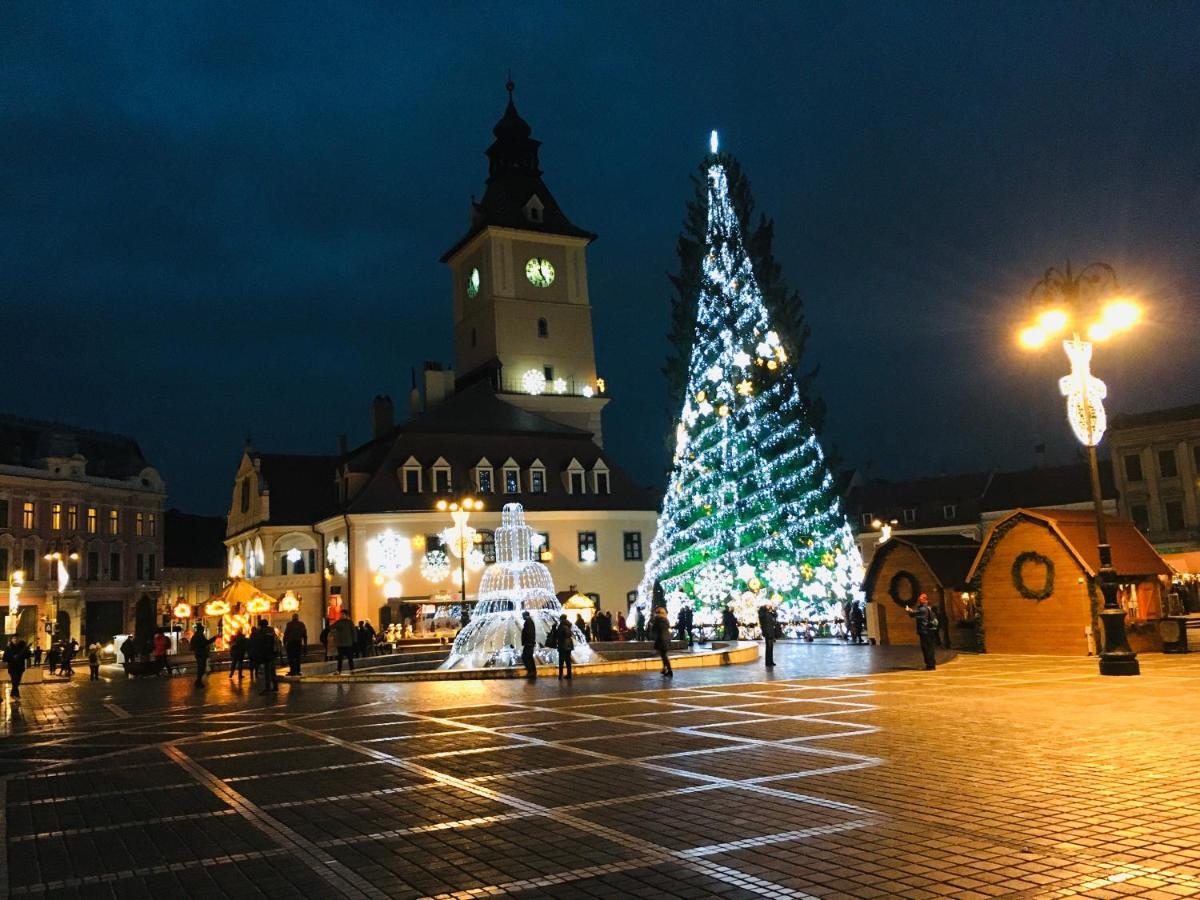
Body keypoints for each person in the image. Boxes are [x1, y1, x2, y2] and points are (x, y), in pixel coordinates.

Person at [905, 593, 939, 670]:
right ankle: (931, 664)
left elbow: (913, 614)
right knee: (930, 648)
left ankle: (930, 665)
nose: (919, 600)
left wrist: (908, 610)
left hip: (925, 631)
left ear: (925, 600)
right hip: (930, 631)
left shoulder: (923, 609)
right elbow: (915, 613)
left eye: (921, 599)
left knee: (926, 648)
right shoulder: (928, 608)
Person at [252, 620, 279, 693]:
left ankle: (268, 688)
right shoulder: (271, 630)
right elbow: (276, 640)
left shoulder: (261, 632)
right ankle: (275, 686)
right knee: (273, 671)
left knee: (267, 671)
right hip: (272, 653)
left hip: (266, 654)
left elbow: (259, 643)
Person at [551, 613, 574, 680]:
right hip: (569, 644)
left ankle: (560, 675)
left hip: (563, 644)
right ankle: (569, 675)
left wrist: (554, 628)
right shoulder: (569, 625)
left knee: (561, 661)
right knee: (568, 661)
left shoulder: (561, 626)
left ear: (561, 619)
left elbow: (557, 636)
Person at [652, 606, 673, 677]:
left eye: (656, 613)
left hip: (661, 640)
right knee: (663, 655)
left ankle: (669, 670)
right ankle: (665, 669)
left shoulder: (657, 620)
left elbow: (654, 629)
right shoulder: (666, 620)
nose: (655, 614)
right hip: (666, 639)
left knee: (664, 656)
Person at [758, 603, 780, 668]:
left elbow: (775, 615)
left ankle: (770, 661)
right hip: (768, 632)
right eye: (767, 606)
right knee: (769, 647)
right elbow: (770, 621)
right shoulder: (763, 614)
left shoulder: (768, 613)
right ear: (764, 607)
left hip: (770, 632)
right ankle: (768, 662)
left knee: (770, 648)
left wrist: (774, 610)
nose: (769, 606)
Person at [520, 610, 537, 680]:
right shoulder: (529, 621)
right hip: (530, 643)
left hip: (529, 643)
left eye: (523, 616)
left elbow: (529, 633)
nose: (522, 617)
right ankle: (533, 672)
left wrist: (528, 642)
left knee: (525, 657)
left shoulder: (528, 622)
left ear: (525, 616)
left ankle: (531, 671)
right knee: (529, 657)